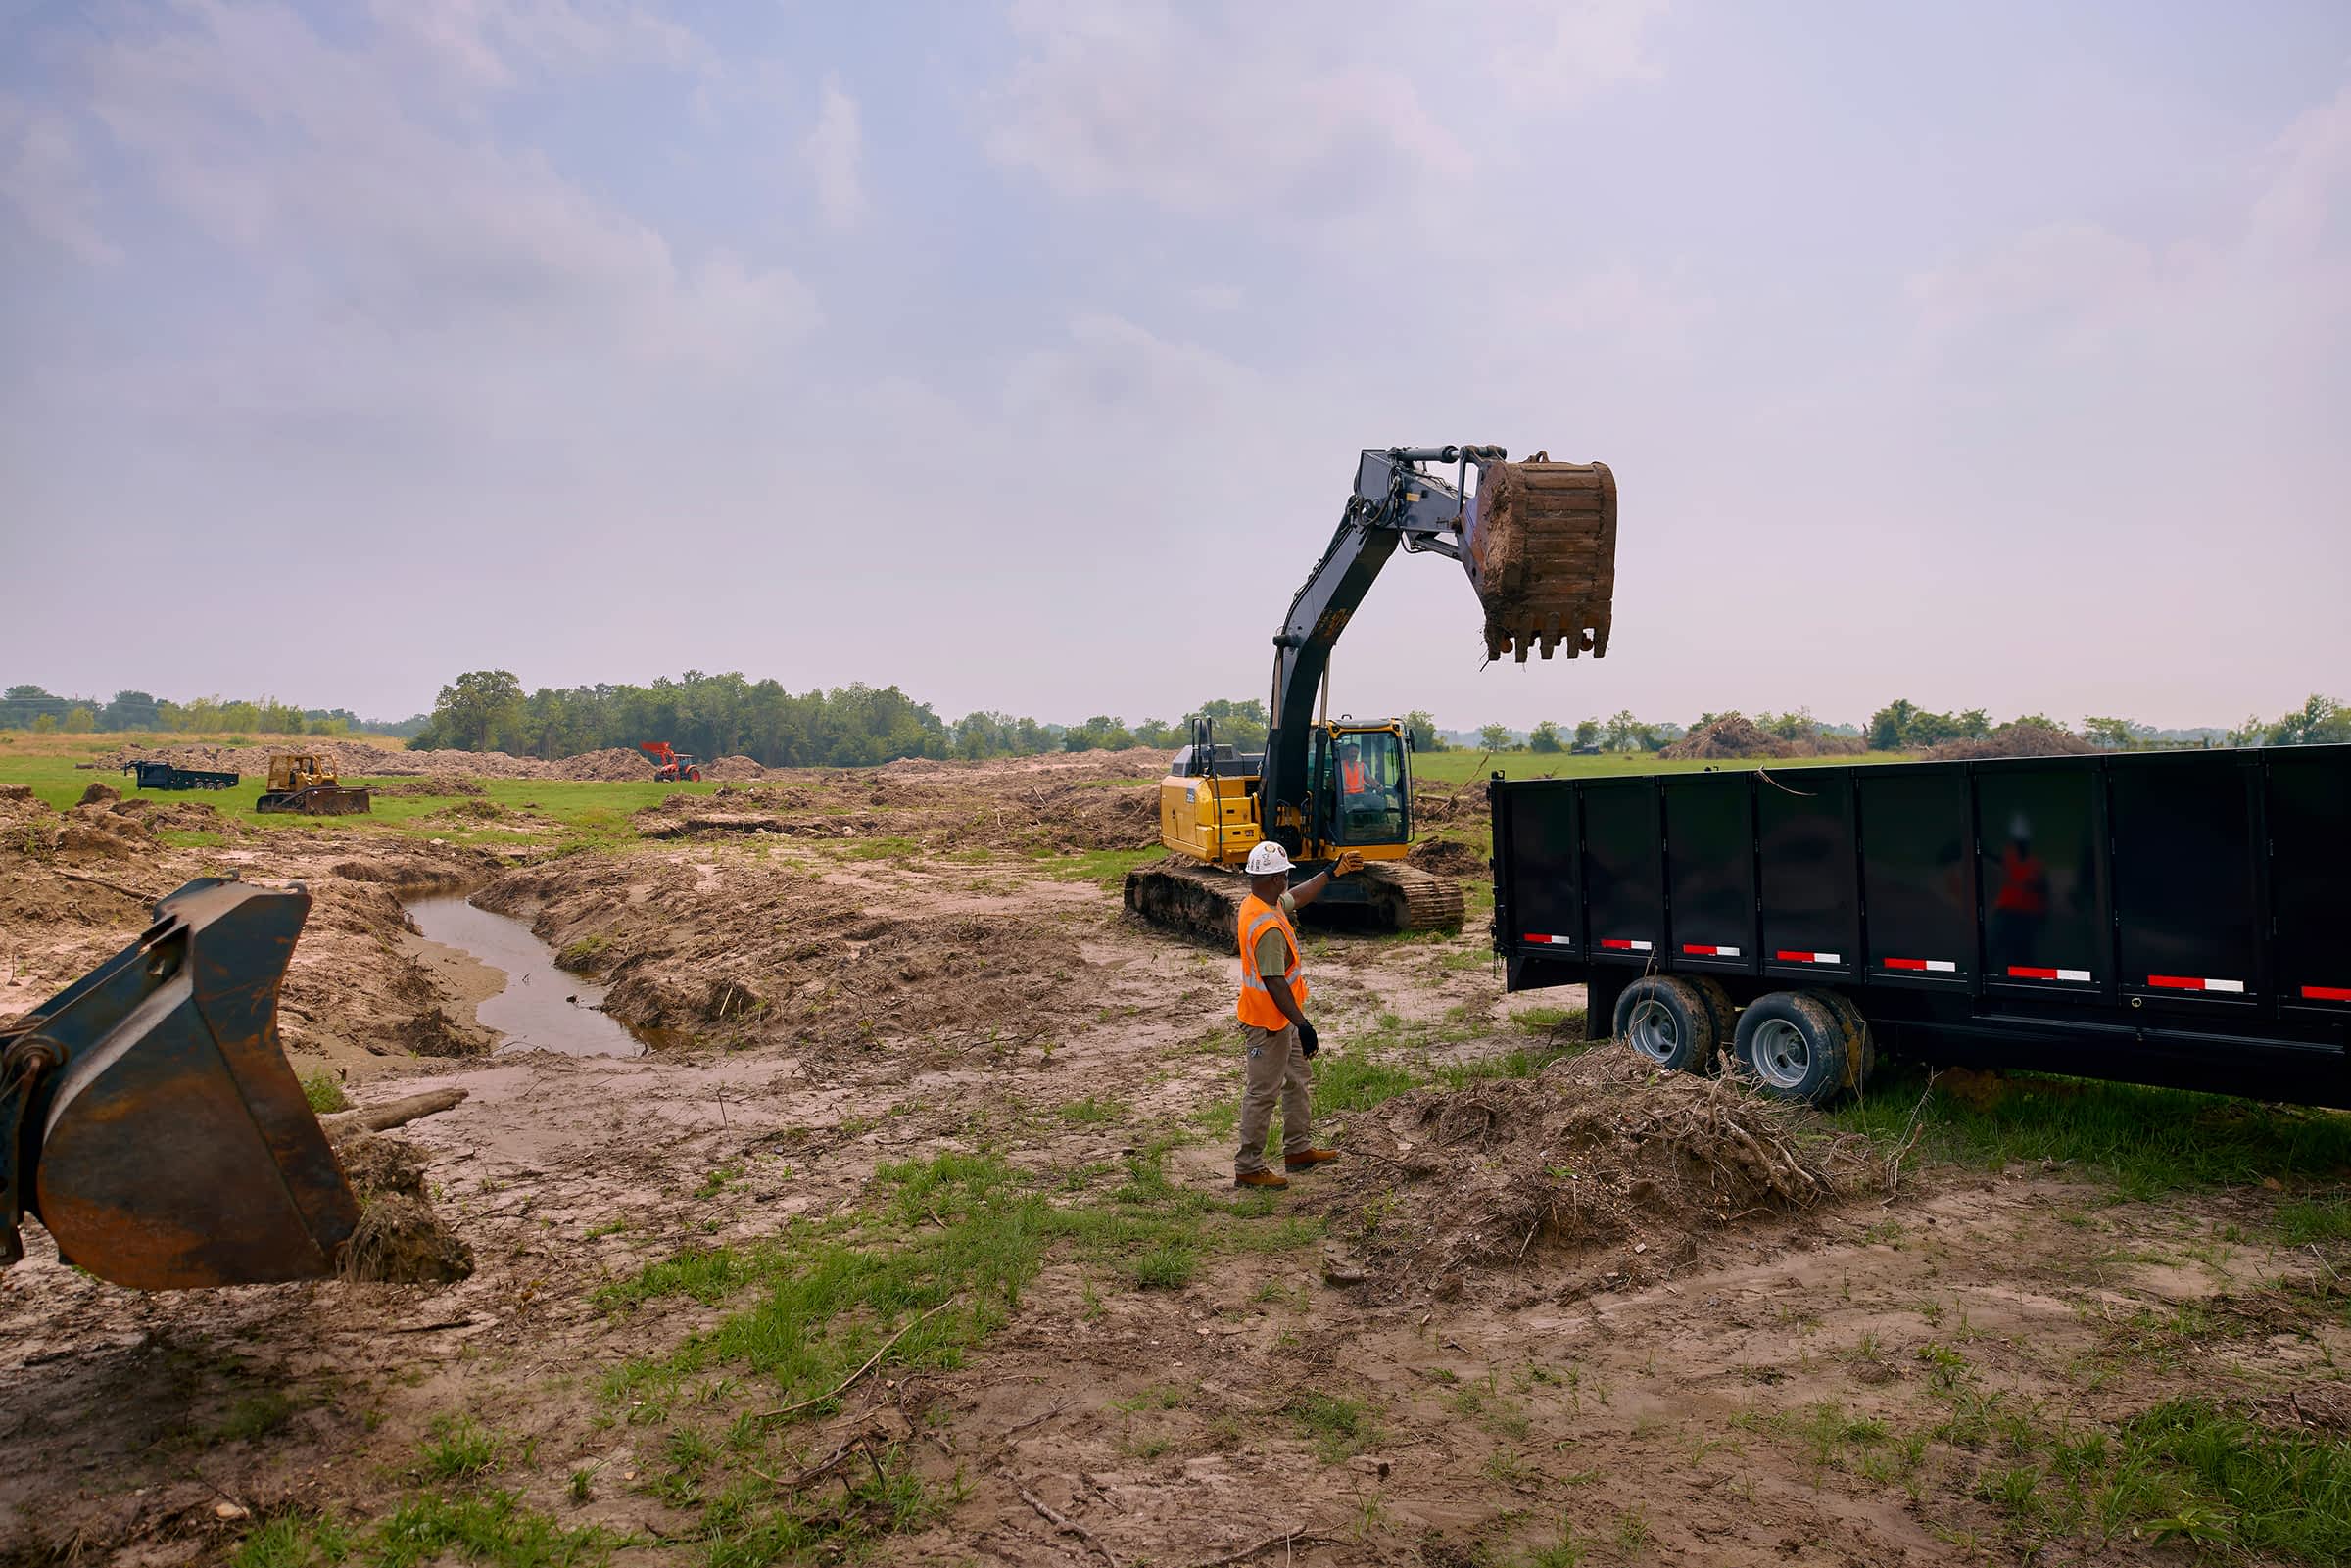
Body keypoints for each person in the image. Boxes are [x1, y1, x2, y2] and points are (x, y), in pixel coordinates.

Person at [1233, 839, 1363, 1189]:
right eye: (1285, 876)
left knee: (1297, 1080)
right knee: (1262, 1093)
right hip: (1268, 1024)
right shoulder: (1268, 928)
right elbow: (1274, 981)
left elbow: (1300, 897)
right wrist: (1303, 1024)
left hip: (1281, 1020)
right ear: (1275, 879)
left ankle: (1298, 1150)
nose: (1287, 882)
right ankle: (1248, 1167)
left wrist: (1331, 872)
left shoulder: (1259, 904)